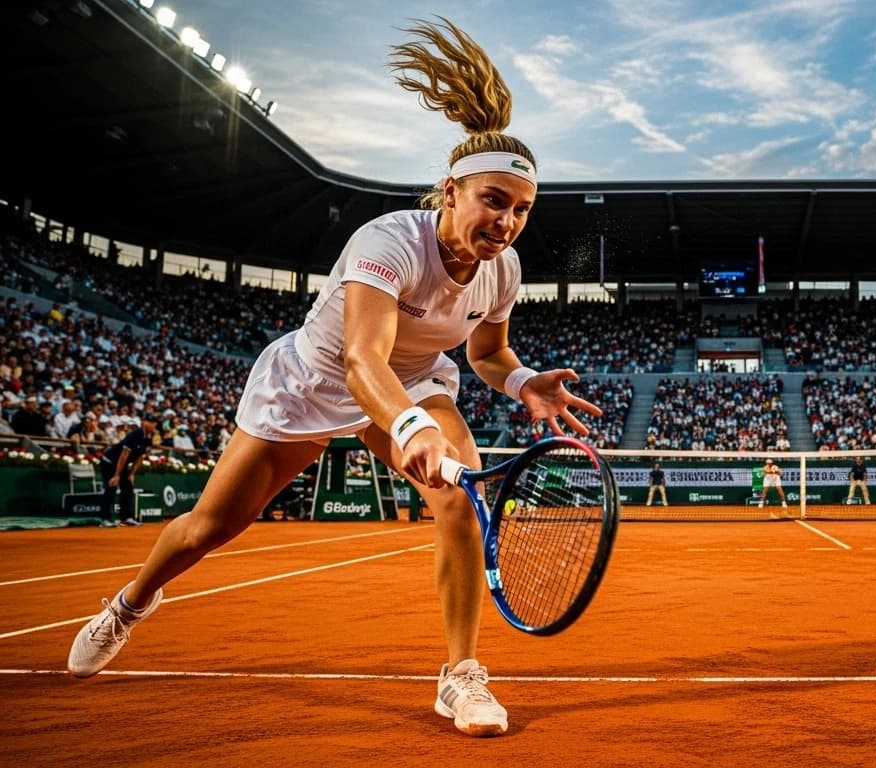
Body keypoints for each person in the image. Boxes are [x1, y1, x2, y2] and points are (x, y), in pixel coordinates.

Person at [66, 18, 601, 739]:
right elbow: (360, 360)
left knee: (458, 501)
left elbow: (486, 355)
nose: (507, 221)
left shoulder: (501, 270)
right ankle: (129, 604)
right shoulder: (388, 241)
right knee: (210, 528)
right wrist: (409, 427)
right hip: (311, 383)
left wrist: (522, 381)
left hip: (414, 382)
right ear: (451, 192)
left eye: (522, 209)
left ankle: (461, 674)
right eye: (494, 200)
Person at [97, 411, 159, 528]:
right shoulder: (135, 435)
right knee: (111, 487)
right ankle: (105, 519)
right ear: (144, 422)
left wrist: (131, 474)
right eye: (151, 422)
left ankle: (126, 518)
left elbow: (140, 457)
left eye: (154, 422)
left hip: (121, 464)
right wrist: (116, 475)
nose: (154, 424)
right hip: (110, 462)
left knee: (128, 488)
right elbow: (124, 455)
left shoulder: (148, 438)